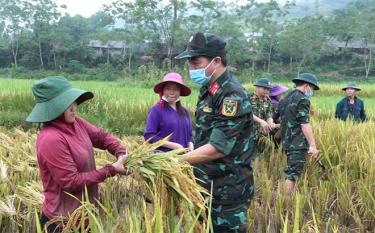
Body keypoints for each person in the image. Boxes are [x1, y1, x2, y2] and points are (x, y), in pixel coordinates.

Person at [26, 76, 129, 233]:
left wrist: (120, 152)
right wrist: (111, 170)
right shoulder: (51, 138)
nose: (74, 107)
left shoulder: (76, 122)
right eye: (66, 104)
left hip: (85, 216)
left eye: (73, 101)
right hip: (62, 222)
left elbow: (101, 136)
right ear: (53, 108)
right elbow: (70, 181)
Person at [175, 32, 254, 233]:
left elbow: (219, 147)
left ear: (216, 61)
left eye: (196, 63)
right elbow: (205, 135)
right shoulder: (209, 90)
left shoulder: (231, 95)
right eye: (189, 64)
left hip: (227, 191)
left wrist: (175, 163)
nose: (191, 69)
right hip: (205, 184)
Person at [273, 73, 319, 193]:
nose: (312, 91)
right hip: (297, 143)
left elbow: (274, 118)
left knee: (290, 170)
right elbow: (304, 124)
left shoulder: (284, 100)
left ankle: (285, 197)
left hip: (286, 142)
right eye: (312, 88)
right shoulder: (303, 99)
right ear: (306, 86)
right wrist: (312, 145)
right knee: (292, 174)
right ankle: (285, 201)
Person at [144, 72, 194, 152]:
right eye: (168, 88)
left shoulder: (185, 111)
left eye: (176, 89)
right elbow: (149, 136)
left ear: (180, 91)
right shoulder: (156, 110)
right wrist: (173, 146)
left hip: (185, 157)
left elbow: (189, 135)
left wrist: (190, 143)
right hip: (165, 158)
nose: (172, 92)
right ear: (163, 90)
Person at [250, 77, 276, 156]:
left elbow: (269, 114)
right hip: (249, 135)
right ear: (257, 87)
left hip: (262, 136)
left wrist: (270, 123)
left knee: (260, 159)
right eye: (264, 88)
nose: (267, 91)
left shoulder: (268, 100)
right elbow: (247, 114)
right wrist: (261, 121)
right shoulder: (248, 98)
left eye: (268, 89)